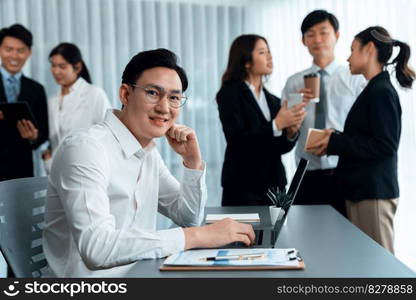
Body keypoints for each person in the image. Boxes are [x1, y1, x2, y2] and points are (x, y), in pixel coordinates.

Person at [42, 49, 255, 277]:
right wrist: (199, 236)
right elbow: (97, 248)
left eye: (174, 98)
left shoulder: (147, 152)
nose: (164, 107)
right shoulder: (85, 148)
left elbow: (188, 217)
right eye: (153, 93)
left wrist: (192, 162)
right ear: (125, 94)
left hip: (142, 273)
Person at [307, 26, 415, 253]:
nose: (348, 57)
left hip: (372, 193)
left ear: (369, 49)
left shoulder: (381, 92)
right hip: (362, 191)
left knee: (380, 268)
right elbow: (368, 139)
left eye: (352, 50)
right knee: (367, 263)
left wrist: (335, 143)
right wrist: (334, 138)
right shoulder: (373, 89)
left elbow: (384, 146)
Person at [281, 10, 365, 217]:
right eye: (310, 34)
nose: (317, 40)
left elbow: (365, 128)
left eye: (323, 32)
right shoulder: (294, 82)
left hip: (344, 170)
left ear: (337, 35)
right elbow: (288, 133)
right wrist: (293, 120)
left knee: (348, 239)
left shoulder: (355, 78)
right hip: (306, 174)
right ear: (303, 41)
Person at [216, 34, 306, 206]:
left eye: (269, 52)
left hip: (275, 187)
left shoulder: (273, 100)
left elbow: (279, 148)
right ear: (246, 61)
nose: (270, 57)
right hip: (243, 186)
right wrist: (277, 124)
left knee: (276, 234)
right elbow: (237, 140)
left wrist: (290, 132)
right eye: (262, 52)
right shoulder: (229, 94)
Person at [42, 43, 111, 172]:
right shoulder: (52, 101)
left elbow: (109, 134)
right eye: (53, 65)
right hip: (56, 170)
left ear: (77, 67)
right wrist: (48, 157)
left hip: (86, 168)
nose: (56, 71)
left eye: (62, 66)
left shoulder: (94, 94)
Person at [0, 24, 48, 181]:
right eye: (8, 49)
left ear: (29, 53)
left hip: (21, 170)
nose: (14, 56)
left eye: (20, 50)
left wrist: (34, 137)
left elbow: (43, 131)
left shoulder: (37, 89)